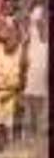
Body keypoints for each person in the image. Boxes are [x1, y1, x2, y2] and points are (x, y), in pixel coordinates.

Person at [0, 22, 23, 150]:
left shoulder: (20, 53)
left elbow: (20, 81)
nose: (11, 42)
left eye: (15, 39)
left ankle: (8, 146)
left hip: (11, 92)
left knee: (8, 123)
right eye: (9, 38)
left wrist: (9, 93)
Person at [23, 9, 48, 139]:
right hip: (33, 64)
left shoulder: (44, 29)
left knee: (40, 97)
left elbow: (44, 38)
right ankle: (33, 128)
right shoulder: (31, 30)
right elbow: (25, 44)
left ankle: (39, 127)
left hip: (42, 63)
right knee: (32, 96)